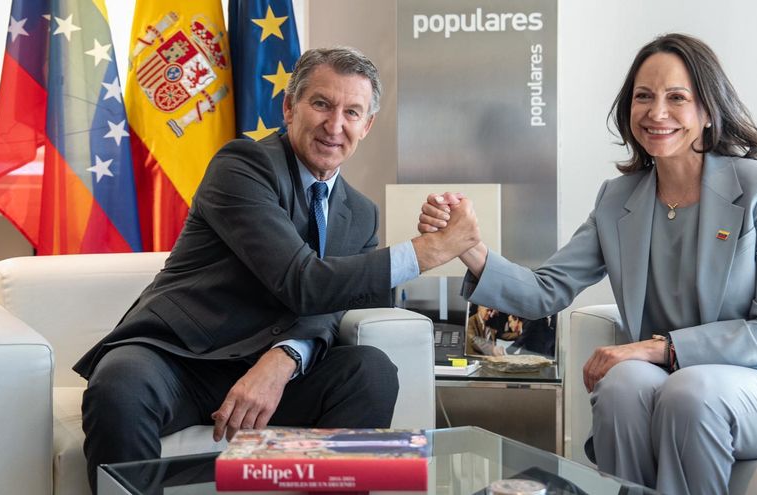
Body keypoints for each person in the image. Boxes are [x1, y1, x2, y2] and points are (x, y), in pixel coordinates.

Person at [419, 33, 757, 494]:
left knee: (689, 392)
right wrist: (468, 246)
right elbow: (544, 290)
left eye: (677, 98)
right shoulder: (618, 200)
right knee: (622, 383)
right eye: (643, 97)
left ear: (707, 111)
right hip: (682, 385)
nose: (657, 112)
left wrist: (654, 348)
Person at [73, 47, 479, 492]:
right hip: (181, 357)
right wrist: (430, 250)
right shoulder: (242, 166)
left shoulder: (361, 214)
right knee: (119, 386)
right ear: (289, 107)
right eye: (321, 104)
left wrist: (285, 358)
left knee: (371, 370)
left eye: (352, 112)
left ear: (367, 126)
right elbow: (303, 282)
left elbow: (340, 304)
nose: (335, 125)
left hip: (274, 370)